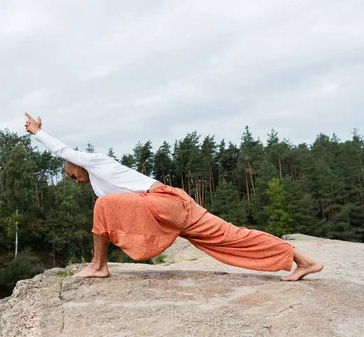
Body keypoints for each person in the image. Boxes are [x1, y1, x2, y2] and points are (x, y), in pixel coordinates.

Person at [24, 113, 323, 281]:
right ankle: (304, 260)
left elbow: (63, 151)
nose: (74, 180)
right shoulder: (101, 182)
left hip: (163, 203)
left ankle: (99, 266)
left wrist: (38, 133)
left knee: (103, 207)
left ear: (79, 163)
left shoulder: (98, 161)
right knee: (234, 236)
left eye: (72, 174)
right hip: (174, 204)